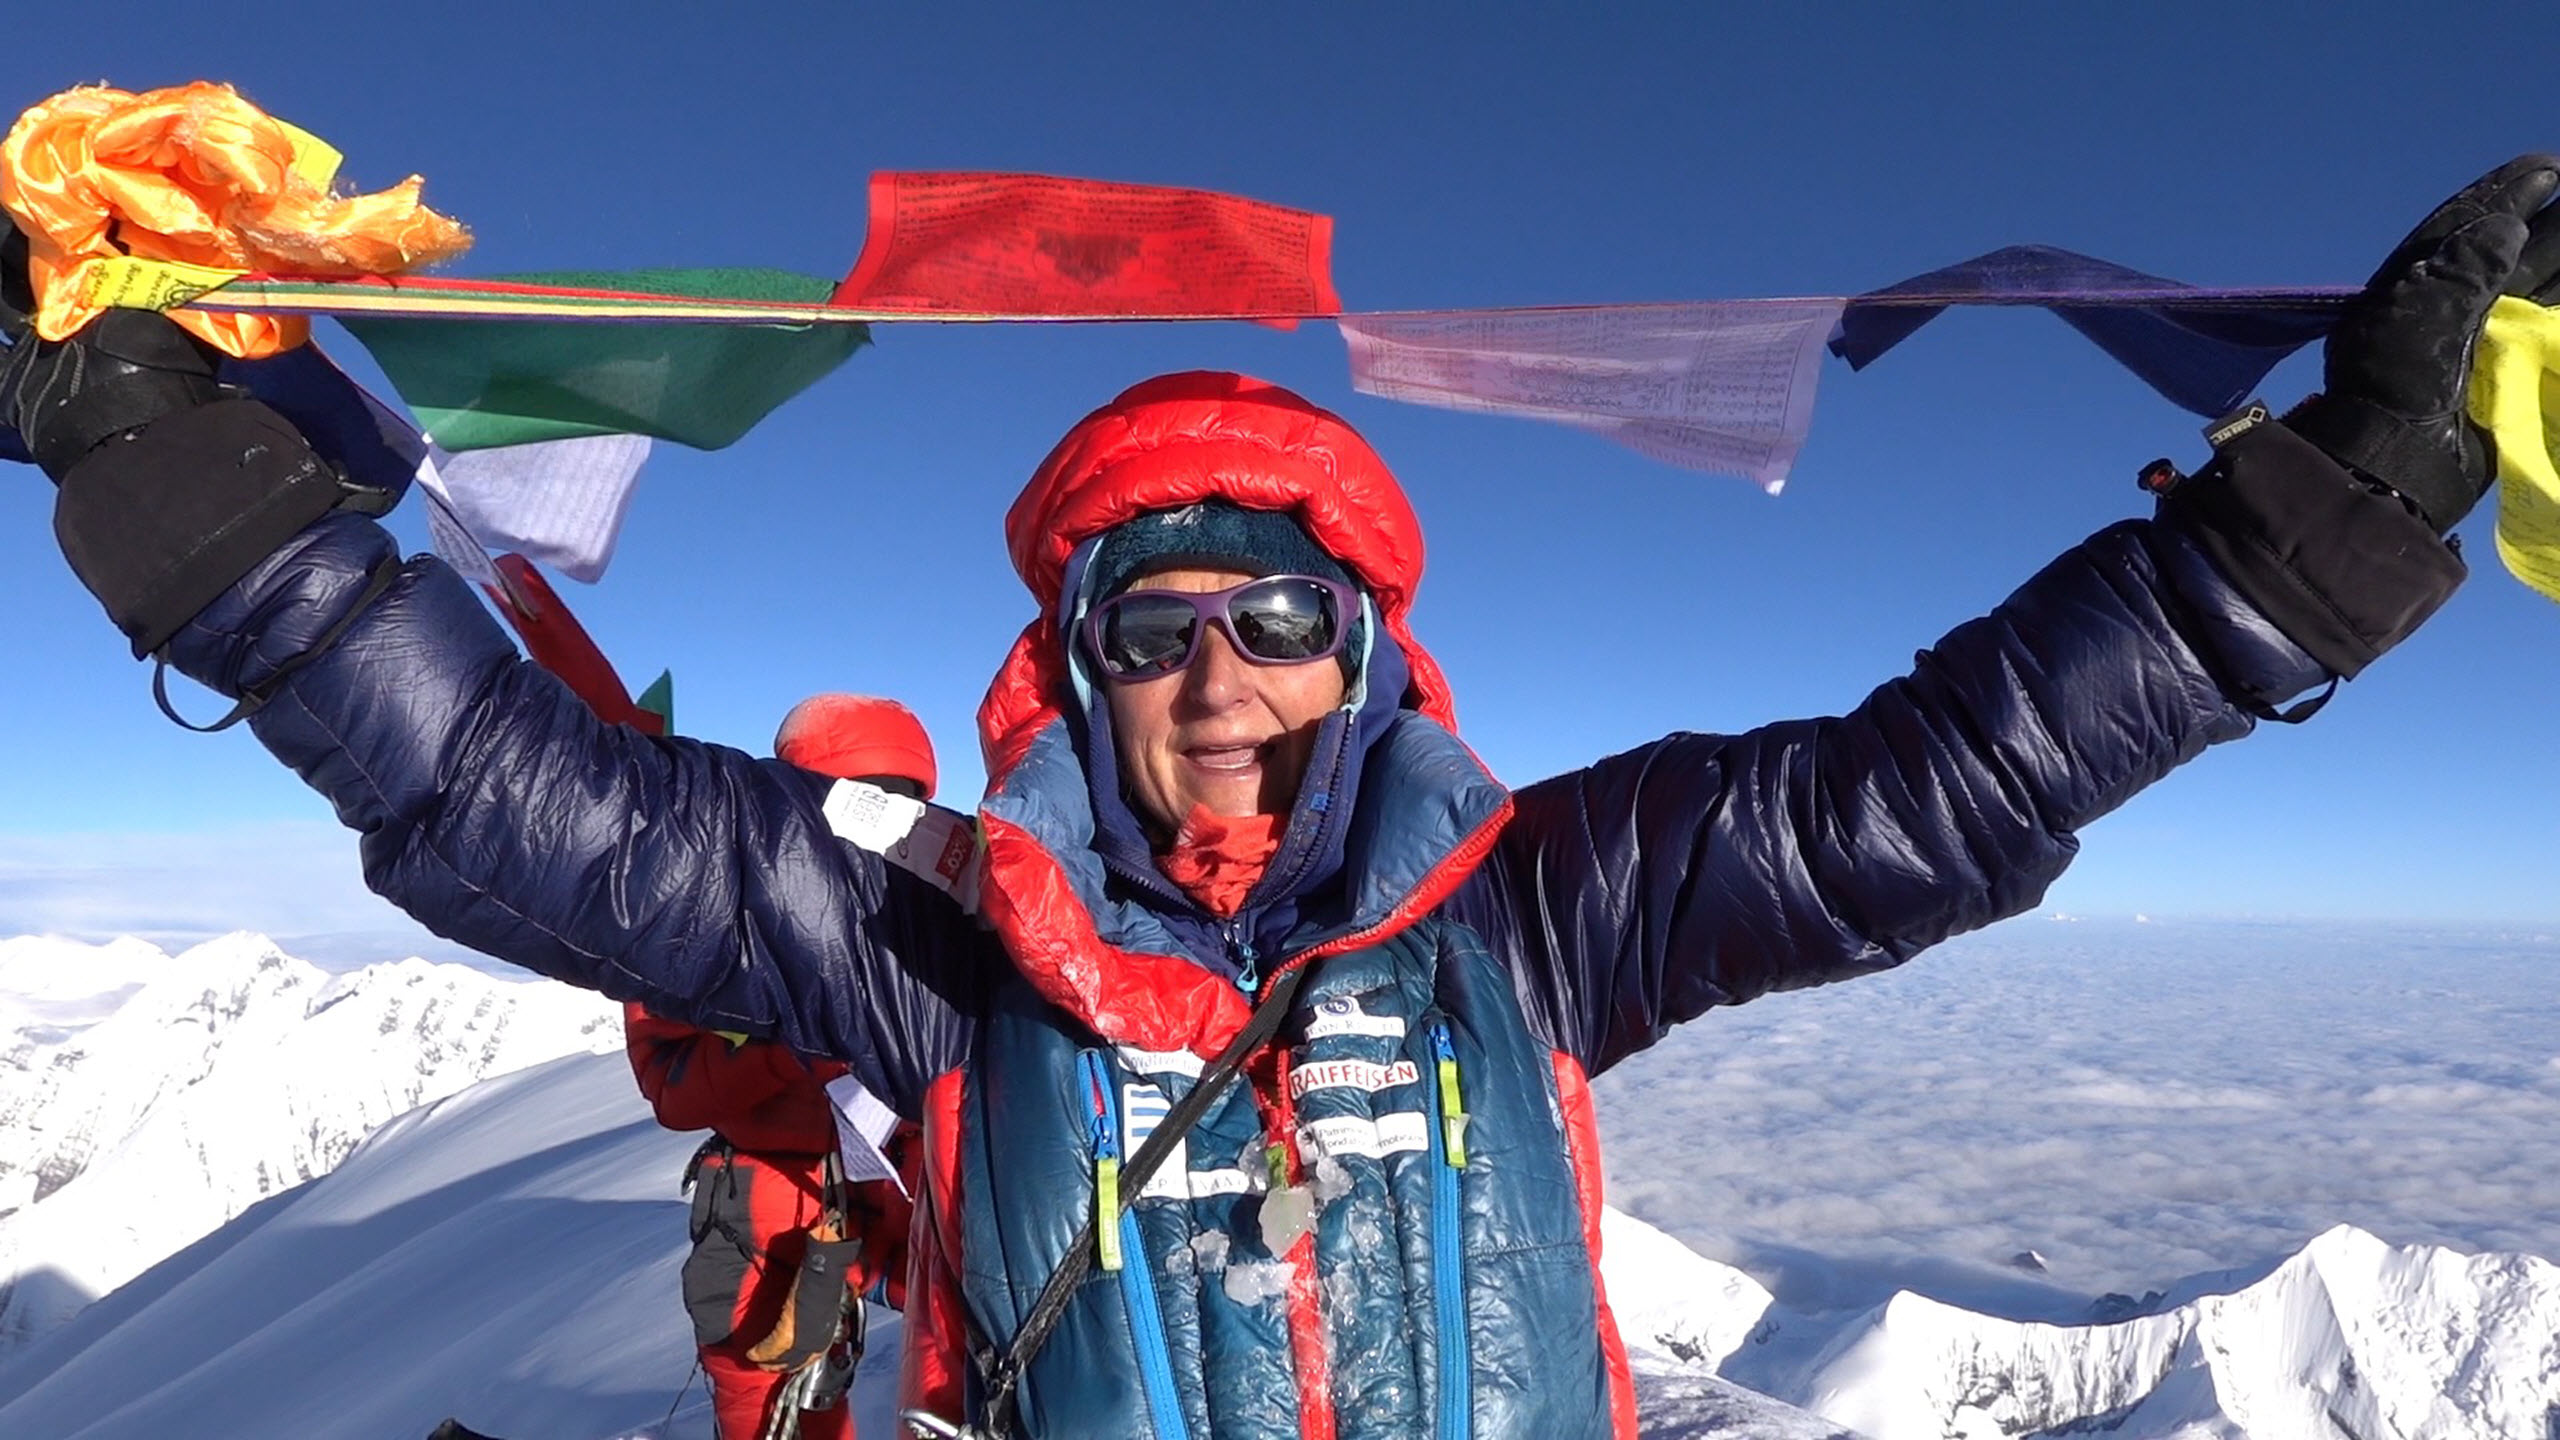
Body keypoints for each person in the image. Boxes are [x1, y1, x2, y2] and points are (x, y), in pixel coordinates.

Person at [5, 159, 2555, 1439]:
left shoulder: (1540, 910)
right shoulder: (917, 938)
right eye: (1152, 622)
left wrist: (2332, 502)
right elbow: (508, 798)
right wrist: (189, 496)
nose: (1217, 671)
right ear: (1068, 664)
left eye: (1275, 615)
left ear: (1364, 647)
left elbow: (1938, 788)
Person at [626, 694, 942, 1440]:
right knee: (766, 1390)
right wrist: (795, 1039)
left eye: (901, 806)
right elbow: (670, 1084)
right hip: (771, 1198)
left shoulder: (933, 919)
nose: (880, 828)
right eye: (859, 801)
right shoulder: (708, 919)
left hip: (895, 1189)